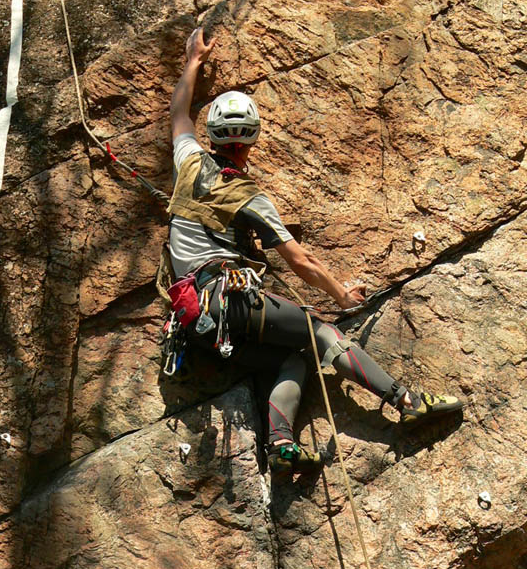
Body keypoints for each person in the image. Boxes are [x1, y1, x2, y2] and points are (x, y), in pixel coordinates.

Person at [164, 27, 462, 480]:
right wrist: (342, 295)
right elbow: (301, 262)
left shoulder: (186, 160)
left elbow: (178, 114)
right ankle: (406, 400)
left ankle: (281, 445)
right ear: (252, 139)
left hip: (196, 325)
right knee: (320, 333)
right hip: (228, 301)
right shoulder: (249, 196)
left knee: (293, 358)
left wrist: (193, 61)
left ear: (213, 136)